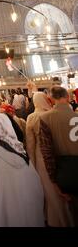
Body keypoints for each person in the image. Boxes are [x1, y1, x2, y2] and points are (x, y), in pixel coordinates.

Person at [26, 91, 73, 227]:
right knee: (59, 191)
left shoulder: (32, 117)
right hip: (58, 155)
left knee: (49, 192)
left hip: (41, 157)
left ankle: (53, 220)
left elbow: (30, 145)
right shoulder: (54, 114)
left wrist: (32, 164)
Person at [39, 86, 78, 226]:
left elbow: (47, 152)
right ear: (68, 97)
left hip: (67, 173)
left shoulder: (45, 118)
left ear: (50, 99)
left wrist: (54, 181)